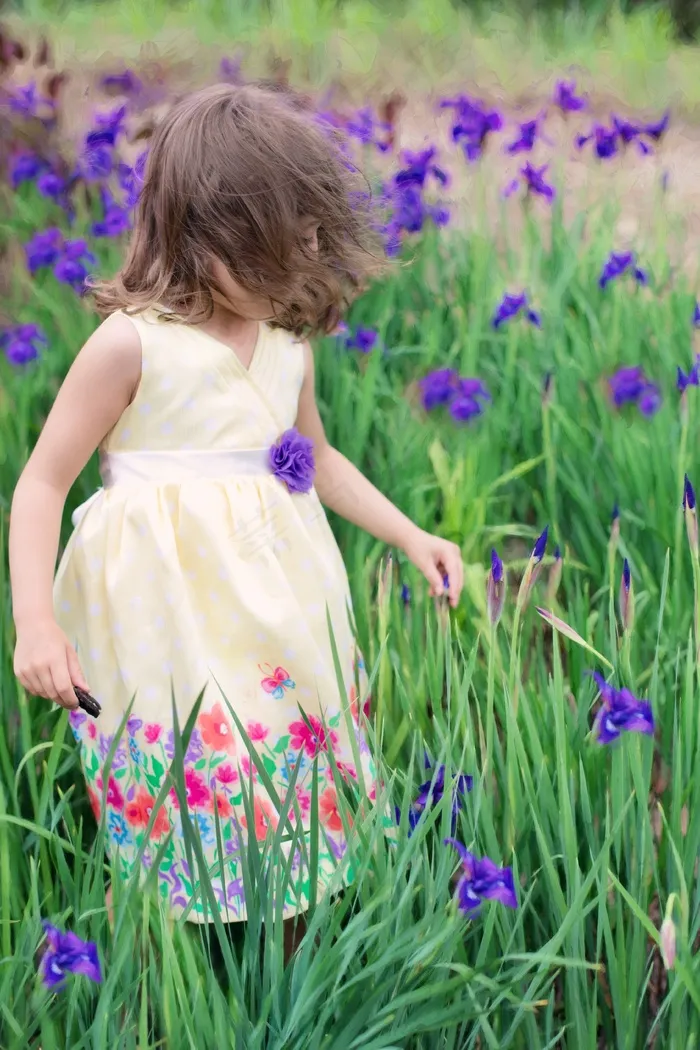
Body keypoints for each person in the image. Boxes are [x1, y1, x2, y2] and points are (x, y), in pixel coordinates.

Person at [9, 82, 464, 958]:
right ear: (194, 234)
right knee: (179, 794)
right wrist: (35, 621)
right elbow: (40, 483)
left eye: (301, 250)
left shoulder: (289, 340)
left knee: (288, 784)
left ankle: (290, 964)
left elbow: (315, 456)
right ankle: (161, 973)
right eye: (263, 257)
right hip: (164, 619)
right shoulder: (133, 344)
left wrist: (411, 535)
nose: (286, 278)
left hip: (281, 605)